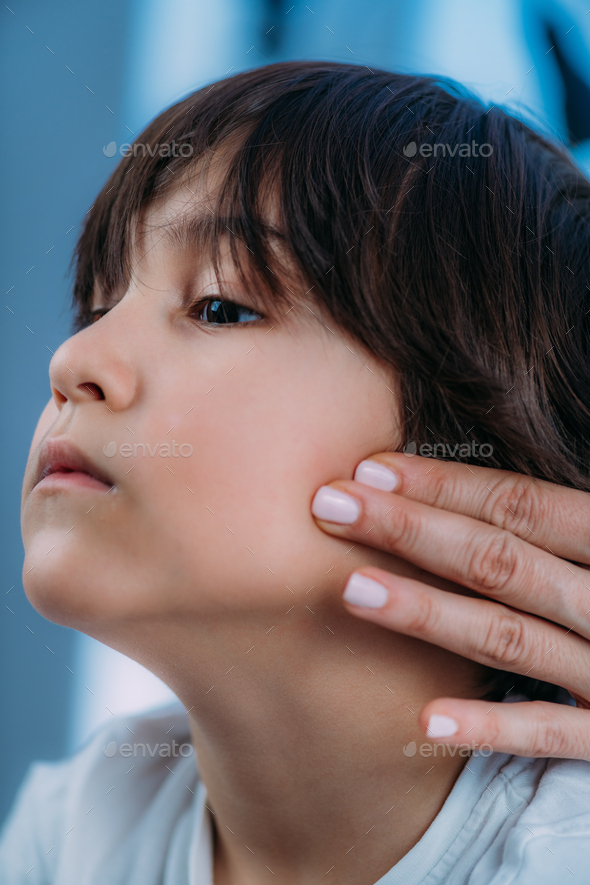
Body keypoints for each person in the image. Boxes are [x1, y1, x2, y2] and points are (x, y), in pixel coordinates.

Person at [2, 60, 590, 884]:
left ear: (486, 448)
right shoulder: (75, 827)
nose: (74, 359)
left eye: (219, 306)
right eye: (97, 308)